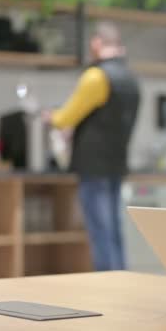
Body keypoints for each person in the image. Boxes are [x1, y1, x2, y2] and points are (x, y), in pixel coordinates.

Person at [44, 22, 140, 271]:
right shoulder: (131, 79)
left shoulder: (96, 77)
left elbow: (67, 117)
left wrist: (50, 117)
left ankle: (107, 287)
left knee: (100, 231)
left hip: (93, 165)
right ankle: (121, 284)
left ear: (96, 44)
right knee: (114, 229)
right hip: (117, 162)